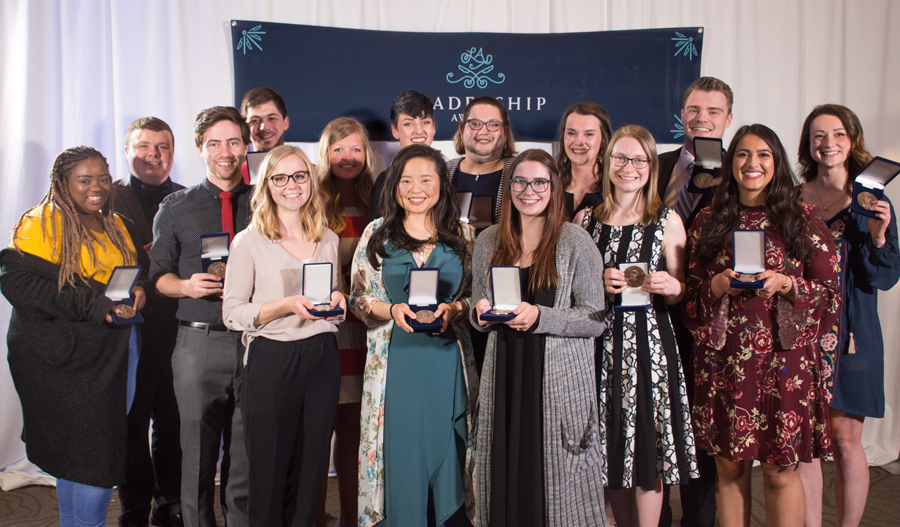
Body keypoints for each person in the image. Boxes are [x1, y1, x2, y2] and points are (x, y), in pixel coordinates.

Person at [684, 124, 840, 527]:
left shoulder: (803, 219)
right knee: (729, 468)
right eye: (742, 154)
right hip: (724, 362)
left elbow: (831, 295)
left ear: (777, 162)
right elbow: (689, 298)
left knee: (780, 471)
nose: (752, 163)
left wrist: (786, 284)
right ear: (730, 162)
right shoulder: (707, 221)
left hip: (783, 365)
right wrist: (717, 286)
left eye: (763, 154)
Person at [1, 146, 143, 526]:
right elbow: (19, 284)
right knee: (93, 458)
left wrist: (137, 290)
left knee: (81, 457)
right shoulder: (41, 223)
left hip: (113, 353)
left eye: (103, 178)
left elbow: (126, 275)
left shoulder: (115, 223)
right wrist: (95, 305)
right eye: (84, 180)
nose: (97, 187)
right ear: (62, 183)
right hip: (65, 361)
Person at [471, 149, 607, 526]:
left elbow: (595, 319)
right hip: (504, 378)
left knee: (555, 489)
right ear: (508, 187)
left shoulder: (575, 241)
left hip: (556, 385)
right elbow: (478, 308)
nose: (528, 190)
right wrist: (478, 314)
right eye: (519, 181)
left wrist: (540, 316)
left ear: (554, 188)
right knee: (503, 474)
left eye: (539, 182)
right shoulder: (488, 241)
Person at [574, 126, 697, 527]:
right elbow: (571, 289)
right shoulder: (585, 220)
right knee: (610, 451)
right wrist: (598, 282)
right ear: (607, 163)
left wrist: (671, 286)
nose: (629, 167)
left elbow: (681, 292)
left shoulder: (668, 221)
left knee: (646, 452)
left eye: (639, 160)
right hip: (599, 348)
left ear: (651, 166)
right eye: (620, 158)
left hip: (649, 350)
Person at [349, 144, 478, 526]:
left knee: (449, 457)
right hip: (396, 367)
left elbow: (478, 297)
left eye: (425, 179)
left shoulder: (464, 234)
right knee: (402, 458)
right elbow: (357, 298)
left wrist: (455, 309)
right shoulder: (376, 233)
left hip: (447, 365)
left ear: (442, 185)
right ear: (394, 186)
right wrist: (391, 310)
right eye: (406, 180)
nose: (415, 189)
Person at [222, 145, 346, 526]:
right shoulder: (249, 241)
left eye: (299, 176)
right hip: (273, 359)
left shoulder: (328, 238)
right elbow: (231, 313)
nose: (292, 185)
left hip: (322, 357)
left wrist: (339, 302)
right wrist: (285, 305)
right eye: (280, 177)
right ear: (267, 185)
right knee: (269, 474)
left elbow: (335, 295)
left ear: (311, 181)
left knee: (311, 473)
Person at [796, 104, 899, 527]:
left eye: (837, 134)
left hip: (854, 335)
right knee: (805, 443)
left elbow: (884, 277)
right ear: (808, 144)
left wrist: (878, 237)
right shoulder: (792, 199)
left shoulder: (872, 202)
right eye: (818, 135)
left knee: (843, 438)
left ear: (851, 139)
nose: (828, 143)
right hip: (801, 333)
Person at [150, 106, 251, 527]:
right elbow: (158, 276)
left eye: (233, 142)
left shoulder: (267, 201)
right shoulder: (176, 207)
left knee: (246, 458)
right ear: (199, 149)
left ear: (246, 146)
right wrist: (186, 287)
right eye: (214, 143)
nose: (225, 152)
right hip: (198, 342)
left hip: (255, 340)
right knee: (196, 457)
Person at [656, 76, 734, 527]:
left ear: (728, 119)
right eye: (694, 110)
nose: (702, 119)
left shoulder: (741, 172)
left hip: (707, 316)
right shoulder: (654, 165)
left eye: (713, 111)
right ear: (682, 114)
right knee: (653, 420)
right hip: (651, 311)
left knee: (699, 428)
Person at [114, 117, 185, 527]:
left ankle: (170, 502)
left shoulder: (189, 198)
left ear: (173, 153)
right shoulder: (105, 197)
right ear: (127, 150)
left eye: (162, 147)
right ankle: (134, 507)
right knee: (131, 423)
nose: (153, 155)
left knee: (172, 422)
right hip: (126, 332)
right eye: (144, 146)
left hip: (176, 328)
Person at [315, 116, 374, 527]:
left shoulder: (377, 202)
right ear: (326, 154)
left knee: (355, 440)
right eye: (338, 149)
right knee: (317, 437)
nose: (347, 157)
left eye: (355, 149)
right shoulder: (313, 200)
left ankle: (352, 520)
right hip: (325, 330)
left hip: (365, 331)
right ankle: (315, 518)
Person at [448, 96, 517, 227]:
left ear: (505, 133)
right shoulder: (442, 172)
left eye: (493, 124)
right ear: (462, 130)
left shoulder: (520, 173)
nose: (483, 131)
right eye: (475, 124)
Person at [371, 90, 437, 218]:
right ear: (395, 130)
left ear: (433, 127)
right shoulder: (385, 181)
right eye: (408, 124)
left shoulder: (447, 174)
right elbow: (381, 227)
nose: (419, 131)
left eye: (425, 122)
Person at [556, 102, 613, 219]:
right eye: (571, 133)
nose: (578, 141)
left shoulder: (614, 192)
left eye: (589, 134)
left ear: (604, 139)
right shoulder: (550, 187)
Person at [240, 87, 290, 184]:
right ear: (245, 128)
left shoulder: (309, 172)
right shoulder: (236, 178)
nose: (263, 127)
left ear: (285, 123)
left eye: (271, 118)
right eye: (254, 120)